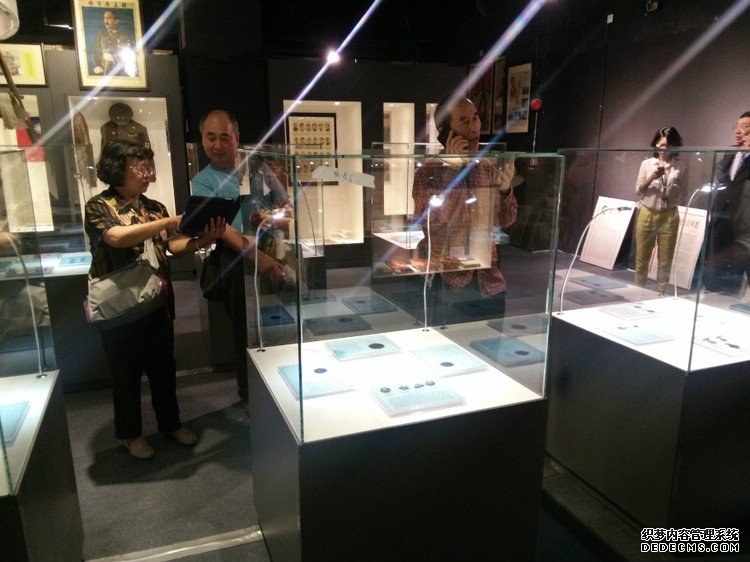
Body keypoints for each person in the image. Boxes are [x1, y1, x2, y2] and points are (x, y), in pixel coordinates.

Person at [84, 140, 224, 460]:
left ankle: (170, 423)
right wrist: (168, 222)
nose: (148, 174)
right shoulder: (99, 205)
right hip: (121, 302)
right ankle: (131, 434)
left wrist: (201, 241)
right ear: (117, 168)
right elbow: (116, 237)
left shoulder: (154, 206)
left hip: (157, 300)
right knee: (125, 374)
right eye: (140, 167)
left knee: (163, 368)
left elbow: (173, 246)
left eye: (149, 167)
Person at [191, 109, 288, 405]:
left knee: (277, 321)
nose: (217, 145)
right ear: (202, 139)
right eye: (210, 138)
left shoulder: (257, 168)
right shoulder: (203, 181)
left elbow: (285, 207)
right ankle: (250, 395)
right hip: (236, 261)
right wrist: (262, 260)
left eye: (224, 137)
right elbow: (224, 231)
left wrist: (269, 216)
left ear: (237, 138)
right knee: (244, 330)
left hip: (272, 250)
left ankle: (282, 385)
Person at [412, 95, 516, 323]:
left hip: (489, 280)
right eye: (464, 121)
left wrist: (505, 191)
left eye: (475, 118)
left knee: (491, 343)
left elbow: (508, 220)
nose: (474, 128)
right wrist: (450, 171)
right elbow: (433, 222)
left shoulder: (486, 168)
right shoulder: (427, 173)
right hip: (449, 281)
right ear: (445, 133)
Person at [633, 126, 686, 294]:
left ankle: (661, 293)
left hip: (669, 215)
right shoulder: (647, 164)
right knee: (642, 258)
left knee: (665, 261)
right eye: (661, 144)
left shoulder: (681, 166)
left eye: (668, 145)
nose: (664, 148)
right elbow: (638, 190)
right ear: (656, 144)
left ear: (675, 146)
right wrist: (652, 177)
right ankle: (638, 292)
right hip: (647, 212)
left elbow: (684, 192)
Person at [706, 112, 750, 294]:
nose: (739, 131)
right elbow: (721, 179)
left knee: (740, 268)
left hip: (745, 224)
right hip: (722, 218)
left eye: (745, 127)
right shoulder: (731, 152)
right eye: (737, 127)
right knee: (718, 270)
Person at [92, 10, 134, 76]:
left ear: (116, 21)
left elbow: (129, 55)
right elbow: (95, 52)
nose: (106, 21)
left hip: (120, 72)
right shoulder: (101, 36)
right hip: (104, 71)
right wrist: (97, 65)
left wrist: (114, 58)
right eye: (104, 18)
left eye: (109, 18)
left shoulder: (124, 36)